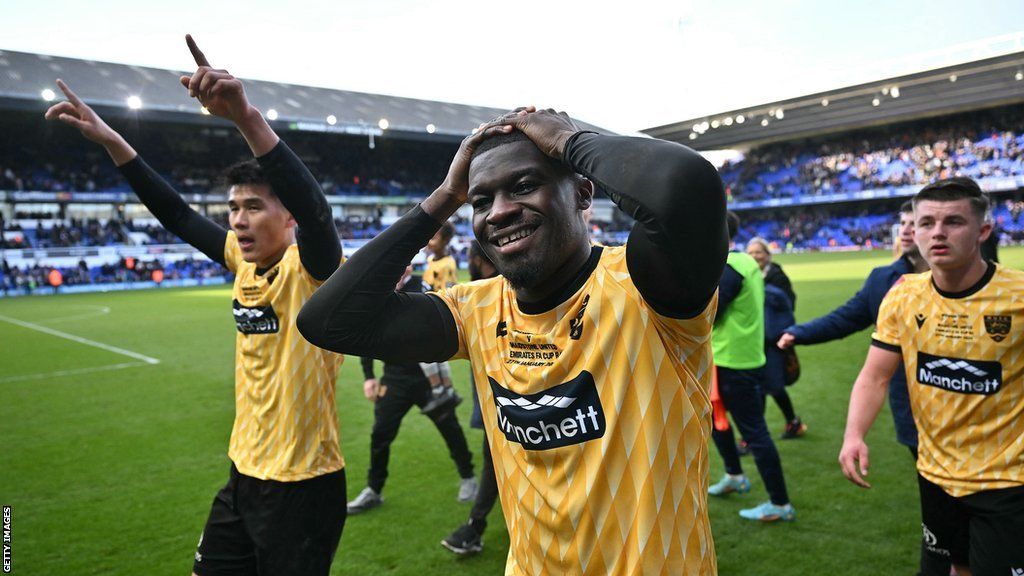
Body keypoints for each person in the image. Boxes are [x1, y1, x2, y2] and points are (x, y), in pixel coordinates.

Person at [298, 108, 728, 574]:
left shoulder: (646, 288)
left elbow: (686, 184)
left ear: (583, 192)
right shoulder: (474, 310)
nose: (499, 211)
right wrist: (445, 196)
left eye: (523, 186)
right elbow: (327, 320)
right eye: (481, 201)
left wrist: (569, 141)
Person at [45, 36, 347, 576]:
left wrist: (244, 117)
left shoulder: (315, 269)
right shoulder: (241, 260)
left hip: (303, 485)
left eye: (254, 206)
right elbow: (178, 215)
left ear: (288, 218)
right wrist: (114, 140)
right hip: (243, 475)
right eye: (233, 208)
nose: (238, 219)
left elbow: (319, 215)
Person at [840, 178, 1024, 576]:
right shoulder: (903, 296)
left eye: (953, 221)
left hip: (1008, 480)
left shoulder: (1019, 297)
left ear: (983, 231)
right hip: (935, 474)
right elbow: (874, 376)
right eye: (926, 223)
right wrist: (854, 434)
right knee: (951, 570)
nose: (937, 233)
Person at [779, 202, 928, 456]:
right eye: (903, 223)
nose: (905, 230)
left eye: (915, 224)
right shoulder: (883, 280)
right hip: (912, 406)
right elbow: (846, 318)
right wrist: (799, 333)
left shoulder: (964, 281)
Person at [347, 264, 477, 515]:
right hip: (394, 378)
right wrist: (368, 377)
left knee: (449, 427)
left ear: (408, 266)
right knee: (380, 434)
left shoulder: (422, 285)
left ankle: (468, 476)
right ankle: (373, 489)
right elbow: (367, 335)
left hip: (426, 376)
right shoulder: (378, 292)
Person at [707, 213, 796, 522]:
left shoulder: (731, 266)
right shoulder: (742, 261)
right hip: (734, 358)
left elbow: (708, 313)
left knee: (754, 432)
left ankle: (780, 503)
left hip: (732, 362)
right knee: (716, 422)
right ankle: (734, 475)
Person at [441, 241, 501, 555]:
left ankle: (475, 528)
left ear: (478, 259)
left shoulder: (482, 296)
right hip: (499, 399)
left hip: (504, 402)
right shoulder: (481, 293)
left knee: (495, 462)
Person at [745, 237, 805, 439]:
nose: (754, 256)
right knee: (764, 386)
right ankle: (791, 423)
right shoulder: (747, 276)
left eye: (758, 252)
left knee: (770, 386)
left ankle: (754, 437)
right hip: (754, 340)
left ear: (767, 255)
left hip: (774, 341)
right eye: (751, 252)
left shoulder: (777, 277)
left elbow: (789, 305)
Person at [419, 220, 462, 414]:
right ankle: (448, 391)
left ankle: (438, 391)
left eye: (434, 238)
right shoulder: (434, 261)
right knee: (437, 356)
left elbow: (447, 290)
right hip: (432, 311)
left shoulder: (445, 264)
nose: (429, 241)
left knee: (421, 351)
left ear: (445, 241)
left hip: (436, 313)